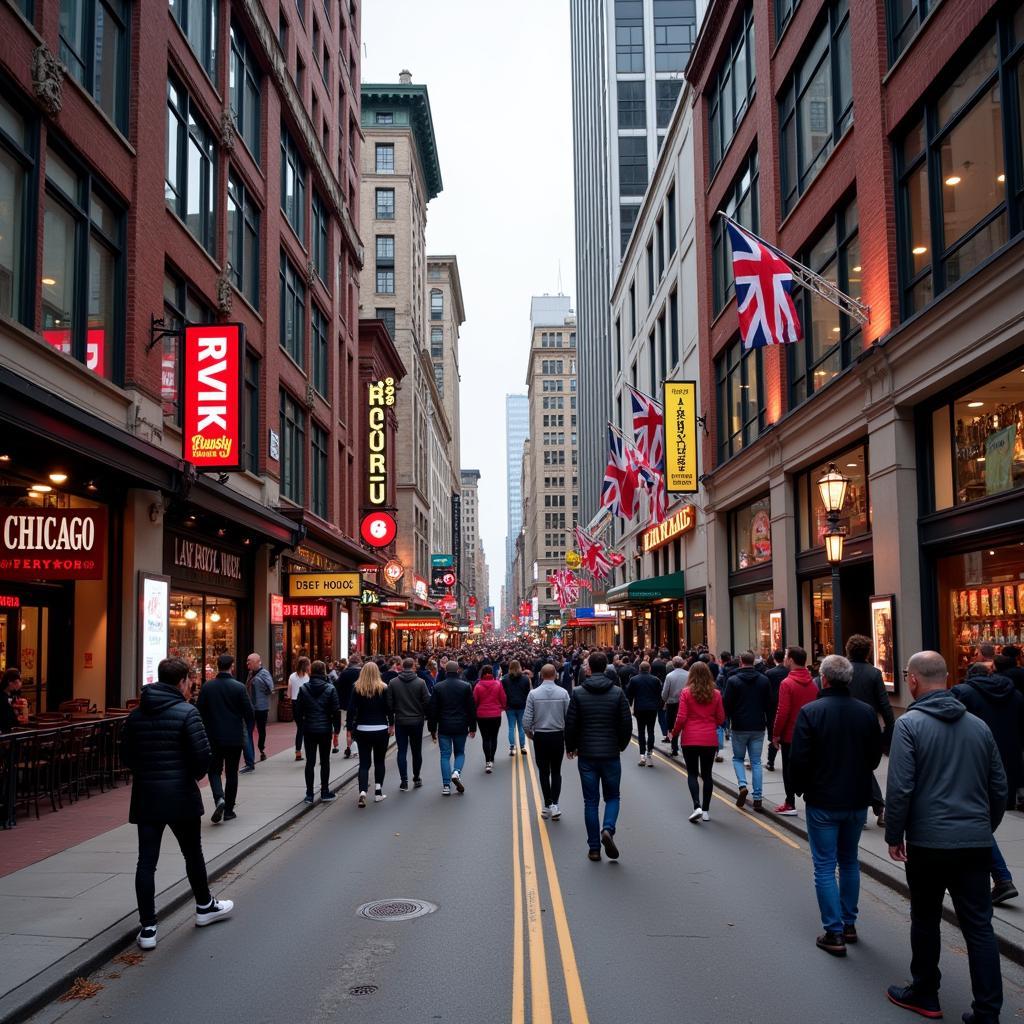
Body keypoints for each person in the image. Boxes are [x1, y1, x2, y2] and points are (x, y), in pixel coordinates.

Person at [885, 651, 1006, 1023]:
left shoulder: (909, 725)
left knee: (925, 918)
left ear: (915, 681)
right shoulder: (978, 726)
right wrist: (984, 827)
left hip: (928, 842)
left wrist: (895, 834)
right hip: (974, 841)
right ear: (947, 677)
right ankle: (987, 1010)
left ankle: (926, 993)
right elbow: (999, 787)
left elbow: (901, 787)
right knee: (979, 926)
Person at [121, 658, 233, 950]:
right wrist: (189, 775)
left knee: (146, 861)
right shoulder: (187, 713)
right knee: (192, 853)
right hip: (180, 794)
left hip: (147, 795)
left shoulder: (135, 716)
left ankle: (147, 927)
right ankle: (204, 905)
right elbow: (202, 757)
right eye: (189, 681)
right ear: (182, 681)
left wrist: (146, 774)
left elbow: (126, 757)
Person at [789, 654, 883, 958]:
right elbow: (873, 758)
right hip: (856, 799)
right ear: (849, 680)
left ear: (824, 679)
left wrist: (801, 790)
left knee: (825, 866)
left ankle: (834, 931)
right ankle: (850, 923)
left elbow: (799, 759)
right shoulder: (866, 713)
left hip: (823, 800)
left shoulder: (811, 712)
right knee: (850, 861)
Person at [952, 661, 1024, 907]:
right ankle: (999, 876)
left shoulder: (963, 694)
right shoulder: (1015, 695)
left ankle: (1002, 878)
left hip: (977, 761)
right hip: (1009, 761)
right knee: (982, 817)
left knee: (977, 819)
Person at [564, 652, 632, 861]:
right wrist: (620, 745)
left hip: (587, 754)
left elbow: (571, 723)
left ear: (589, 669)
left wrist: (571, 747)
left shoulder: (578, 693)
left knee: (590, 802)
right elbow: (626, 724)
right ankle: (608, 829)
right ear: (607, 667)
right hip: (610, 753)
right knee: (612, 796)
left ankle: (594, 848)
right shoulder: (618, 693)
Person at [196, 654, 254, 824]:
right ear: (232, 666)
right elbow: (249, 713)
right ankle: (229, 810)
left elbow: (199, 711)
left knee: (214, 770)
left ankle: (219, 798)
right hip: (234, 737)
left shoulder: (207, 687)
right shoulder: (238, 687)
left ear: (217, 666)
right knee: (231, 773)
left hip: (213, 736)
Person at [845, 634, 895, 827]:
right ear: (868, 652)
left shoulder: (844, 671)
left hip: (846, 725)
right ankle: (877, 806)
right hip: (869, 725)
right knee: (864, 766)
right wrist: (890, 728)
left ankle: (865, 808)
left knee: (855, 767)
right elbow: (884, 703)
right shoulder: (874, 673)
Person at [670, 661, 725, 824]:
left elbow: (681, 718)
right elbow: (721, 718)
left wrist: (674, 734)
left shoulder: (686, 693)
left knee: (692, 774)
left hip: (690, 739)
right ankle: (706, 811)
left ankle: (697, 806)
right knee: (707, 775)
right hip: (709, 739)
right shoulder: (716, 694)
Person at [723, 651, 772, 812]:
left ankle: (742, 785)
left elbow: (727, 705)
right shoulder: (764, 680)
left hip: (739, 725)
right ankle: (757, 798)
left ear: (740, 662)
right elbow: (769, 705)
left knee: (738, 758)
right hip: (758, 726)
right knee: (756, 762)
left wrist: (726, 723)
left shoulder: (733, 681)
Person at [772, 646, 818, 816]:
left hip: (790, 734)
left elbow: (782, 711)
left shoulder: (787, 683)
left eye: (785, 656)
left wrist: (776, 734)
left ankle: (790, 802)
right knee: (810, 768)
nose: (784, 659)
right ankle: (811, 798)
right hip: (810, 734)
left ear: (790, 660)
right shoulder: (813, 683)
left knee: (788, 769)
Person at [524, 663, 571, 819]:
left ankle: (546, 804)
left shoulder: (533, 694)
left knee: (544, 772)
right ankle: (555, 804)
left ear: (541, 675)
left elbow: (526, 719)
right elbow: (569, 717)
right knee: (556, 771)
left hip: (541, 736)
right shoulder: (563, 693)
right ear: (556, 675)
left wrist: (529, 732)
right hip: (557, 735)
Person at [346, 661, 394, 807]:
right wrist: (391, 724)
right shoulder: (383, 688)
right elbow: (389, 708)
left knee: (364, 763)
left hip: (362, 728)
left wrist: (349, 729)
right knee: (379, 761)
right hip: (380, 728)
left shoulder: (357, 688)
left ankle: (362, 791)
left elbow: (351, 710)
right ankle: (378, 791)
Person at [293, 660, 341, 804]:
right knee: (325, 761)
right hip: (325, 729)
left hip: (309, 729)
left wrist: (302, 724)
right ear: (324, 671)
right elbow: (336, 711)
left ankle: (309, 794)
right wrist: (336, 730)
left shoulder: (304, 688)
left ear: (311, 671)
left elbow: (297, 711)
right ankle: (325, 791)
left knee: (310, 762)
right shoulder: (330, 688)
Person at [428, 663, 477, 796]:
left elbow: (433, 710)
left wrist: (432, 730)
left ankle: (446, 785)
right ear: (458, 670)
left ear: (445, 670)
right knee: (460, 753)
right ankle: (456, 772)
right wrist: (473, 727)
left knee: (445, 755)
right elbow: (471, 708)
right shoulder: (466, 686)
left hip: (444, 726)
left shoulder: (438, 687)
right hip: (461, 725)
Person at [388, 657, 430, 791]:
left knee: (402, 751)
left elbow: (389, 703)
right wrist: (422, 712)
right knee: (416, 751)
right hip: (417, 721)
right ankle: (416, 777)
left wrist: (396, 712)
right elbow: (427, 701)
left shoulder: (393, 682)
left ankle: (404, 780)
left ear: (401, 667)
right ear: (413, 667)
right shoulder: (421, 682)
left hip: (401, 720)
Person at [627, 661, 662, 767]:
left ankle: (642, 756)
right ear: (649, 668)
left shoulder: (634, 680)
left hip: (640, 708)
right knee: (651, 731)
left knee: (641, 732)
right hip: (652, 709)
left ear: (639, 669)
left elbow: (630, 694)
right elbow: (659, 694)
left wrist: (631, 706)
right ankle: (649, 753)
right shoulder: (656, 680)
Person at [473, 664, 507, 772]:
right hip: (495, 714)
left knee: (485, 738)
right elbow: (503, 698)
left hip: (482, 715)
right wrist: (502, 707)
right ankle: (492, 758)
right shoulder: (498, 684)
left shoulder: (478, 685)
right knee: (494, 737)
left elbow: (475, 701)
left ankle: (487, 761)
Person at [244, 653, 275, 765]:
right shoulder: (250, 673)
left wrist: (262, 692)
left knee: (261, 730)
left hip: (261, 707)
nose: (247, 663)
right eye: (247, 661)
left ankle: (261, 749)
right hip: (250, 707)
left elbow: (271, 688)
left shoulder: (264, 673)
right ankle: (250, 756)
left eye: (250, 661)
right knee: (248, 731)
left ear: (258, 662)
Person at [764, 650, 787, 772]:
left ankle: (770, 762)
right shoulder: (789, 672)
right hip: (787, 706)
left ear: (774, 658)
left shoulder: (769, 673)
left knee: (774, 735)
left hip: (772, 708)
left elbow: (766, 692)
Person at [334, 656, 362, 756]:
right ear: (359, 662)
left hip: (346, 704)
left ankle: (349, 747)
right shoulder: (362, 673)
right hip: (360, 703)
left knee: (348, 724)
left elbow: (337, 686)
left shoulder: (345, 673)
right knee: (358, 724)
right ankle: (356, 747)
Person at [503, 660, 530, 757]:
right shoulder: (525, 679)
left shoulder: (505, 679)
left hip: (510, 706)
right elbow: (528, 693)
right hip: (522, 705)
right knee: (521, 727)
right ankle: (522, 746)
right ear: (520, 667)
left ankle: (512, 747)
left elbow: (503, 693)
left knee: (511, 727)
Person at [288, 656, 311, 762]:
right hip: (306, 704)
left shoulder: (292, 676)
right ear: (306, 666)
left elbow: (289, 693)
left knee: (300, 728)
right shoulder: (308, 677)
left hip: (295, 703)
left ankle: (298, 751)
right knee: (306, 728)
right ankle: (308, 750)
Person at [0, 668, 19, 734]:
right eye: (16, 682)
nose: (18, 684)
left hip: (12, 729)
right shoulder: (2, 696)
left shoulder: (12, 694)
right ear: (9, 682)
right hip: (4, 731)